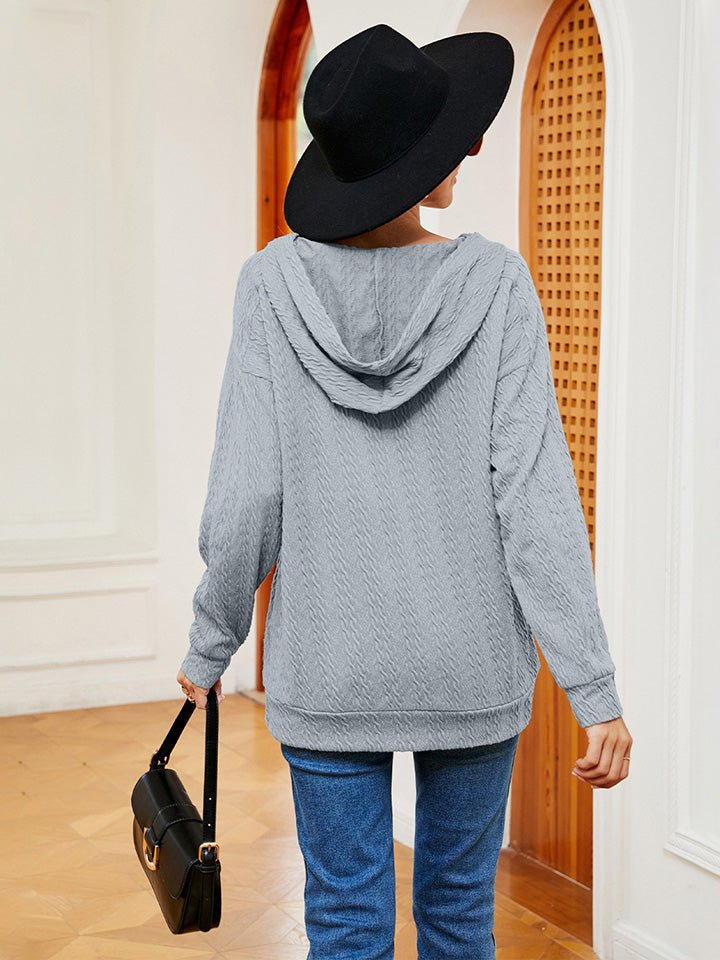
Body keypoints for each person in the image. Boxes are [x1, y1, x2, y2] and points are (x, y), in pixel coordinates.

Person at [176, 23, 633, 960]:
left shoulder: (270, 286)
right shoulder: (496, 285)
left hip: (327, 668)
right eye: (452, 137)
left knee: (345, 924)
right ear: (413, 164)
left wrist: (211, 640)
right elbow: (534, 496)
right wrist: (592, 687)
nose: (472, 146)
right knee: (461, 920)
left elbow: (248, 492)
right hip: (471, 667)